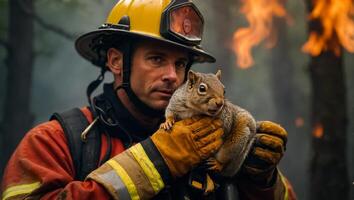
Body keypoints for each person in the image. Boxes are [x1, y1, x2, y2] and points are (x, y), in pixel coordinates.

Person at [1, 0, 296, 199]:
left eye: (181, 64)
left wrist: (261, 182)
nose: (172, 75)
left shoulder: (211, 139)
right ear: (116, 62)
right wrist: (158, 160)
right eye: (156, 58)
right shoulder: (56, 141)